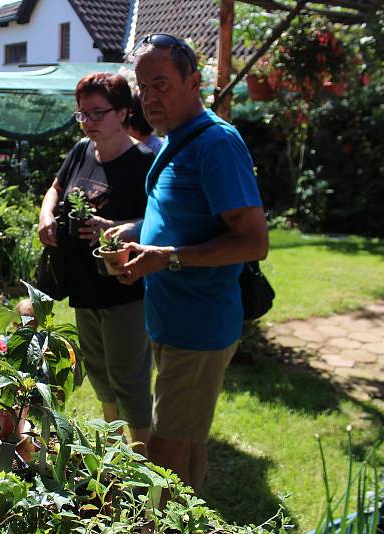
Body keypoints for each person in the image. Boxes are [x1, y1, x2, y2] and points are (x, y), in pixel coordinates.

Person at [105, 34, 269, 491]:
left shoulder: (215, 144)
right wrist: (135, 232)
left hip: (199, 328)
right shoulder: (177, 140)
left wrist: (167, 257)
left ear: (194, 81)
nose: (149, 97)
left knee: (163, 455)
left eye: (161, 83)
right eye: (142, 86)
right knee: (187, 444)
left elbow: (254, 240)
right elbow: (185, 216)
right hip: (174, 321)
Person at [38, 72, 155, 447]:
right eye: (82, 114)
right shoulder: (81, 151)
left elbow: (161, 222)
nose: (88, 122)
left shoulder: (144, 162)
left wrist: (115, 226)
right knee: (100, 372)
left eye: (97, 113)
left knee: (129, 376)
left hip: (125, 287)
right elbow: (55, 189)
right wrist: (45, 217)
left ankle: (147, 463)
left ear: (123, 113)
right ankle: (114, 449)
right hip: (84, 286)